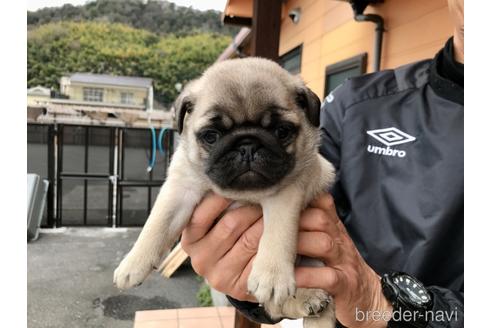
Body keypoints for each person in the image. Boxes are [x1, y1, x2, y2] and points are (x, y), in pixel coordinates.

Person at [181, 0, 464, 326]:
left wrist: (381, 302)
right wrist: (249, 277)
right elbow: (279, 222)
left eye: (280, 129)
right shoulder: (357, 103)